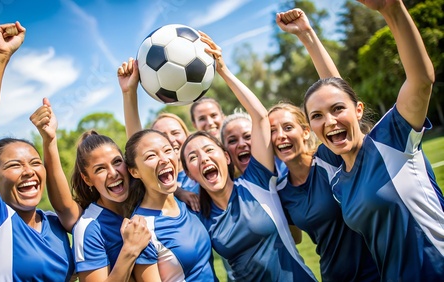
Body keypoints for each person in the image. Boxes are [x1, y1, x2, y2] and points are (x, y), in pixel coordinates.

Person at [303, 0, 444, 280]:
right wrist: (305, 35)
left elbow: (421, 80)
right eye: (317, 116)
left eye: (338, 109)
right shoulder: (337, 182)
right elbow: (335, 89)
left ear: (358, 110)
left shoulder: (390, 139)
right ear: (311, 127)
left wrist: (392, 10)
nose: (329, 121)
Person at [180, 31, 316, 281]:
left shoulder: (257, 181)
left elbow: (261, 117)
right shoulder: (198, 212)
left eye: (209, 150)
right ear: (188, 173)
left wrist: (223, 71)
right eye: (193, 157)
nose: (204, 159)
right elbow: (148, 178)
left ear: (226, 157)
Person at [0, 22, 74, 281]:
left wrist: (49, 140)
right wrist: (0, 56)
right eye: (14, 165)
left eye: (35, 163)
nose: (29, 172)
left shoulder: (55, 224)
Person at [270, 9, 380, 281]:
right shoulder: (280, 192)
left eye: (287, 127)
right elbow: (293, 239)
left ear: (306, 130)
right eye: (272, 131)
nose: (281, 136)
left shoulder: (329, 157)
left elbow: (336, 90)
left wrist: (306, 35)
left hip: (378, 271)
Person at [30, 98, 151, 282]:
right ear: (87, 179)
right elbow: (63, 206)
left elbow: (142, 148)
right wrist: (130, 250)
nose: (113, 173)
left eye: (117, 162)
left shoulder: (142, 199)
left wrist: (129, 92)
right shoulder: (89, 227)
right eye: (100, 169)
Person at [123, 129, 217, 281]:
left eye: (168, 150)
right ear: (134, 172)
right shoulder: (142, 228)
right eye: (151, 156)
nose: (164, 159)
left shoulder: (187, 203)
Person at [119, 65, 200, 211]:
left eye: (175, 133)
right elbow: (136, 145)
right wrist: (128, 92)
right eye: (162, 136)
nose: (170, 139)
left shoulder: (201, 169)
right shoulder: (154, 177)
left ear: (187, 136)